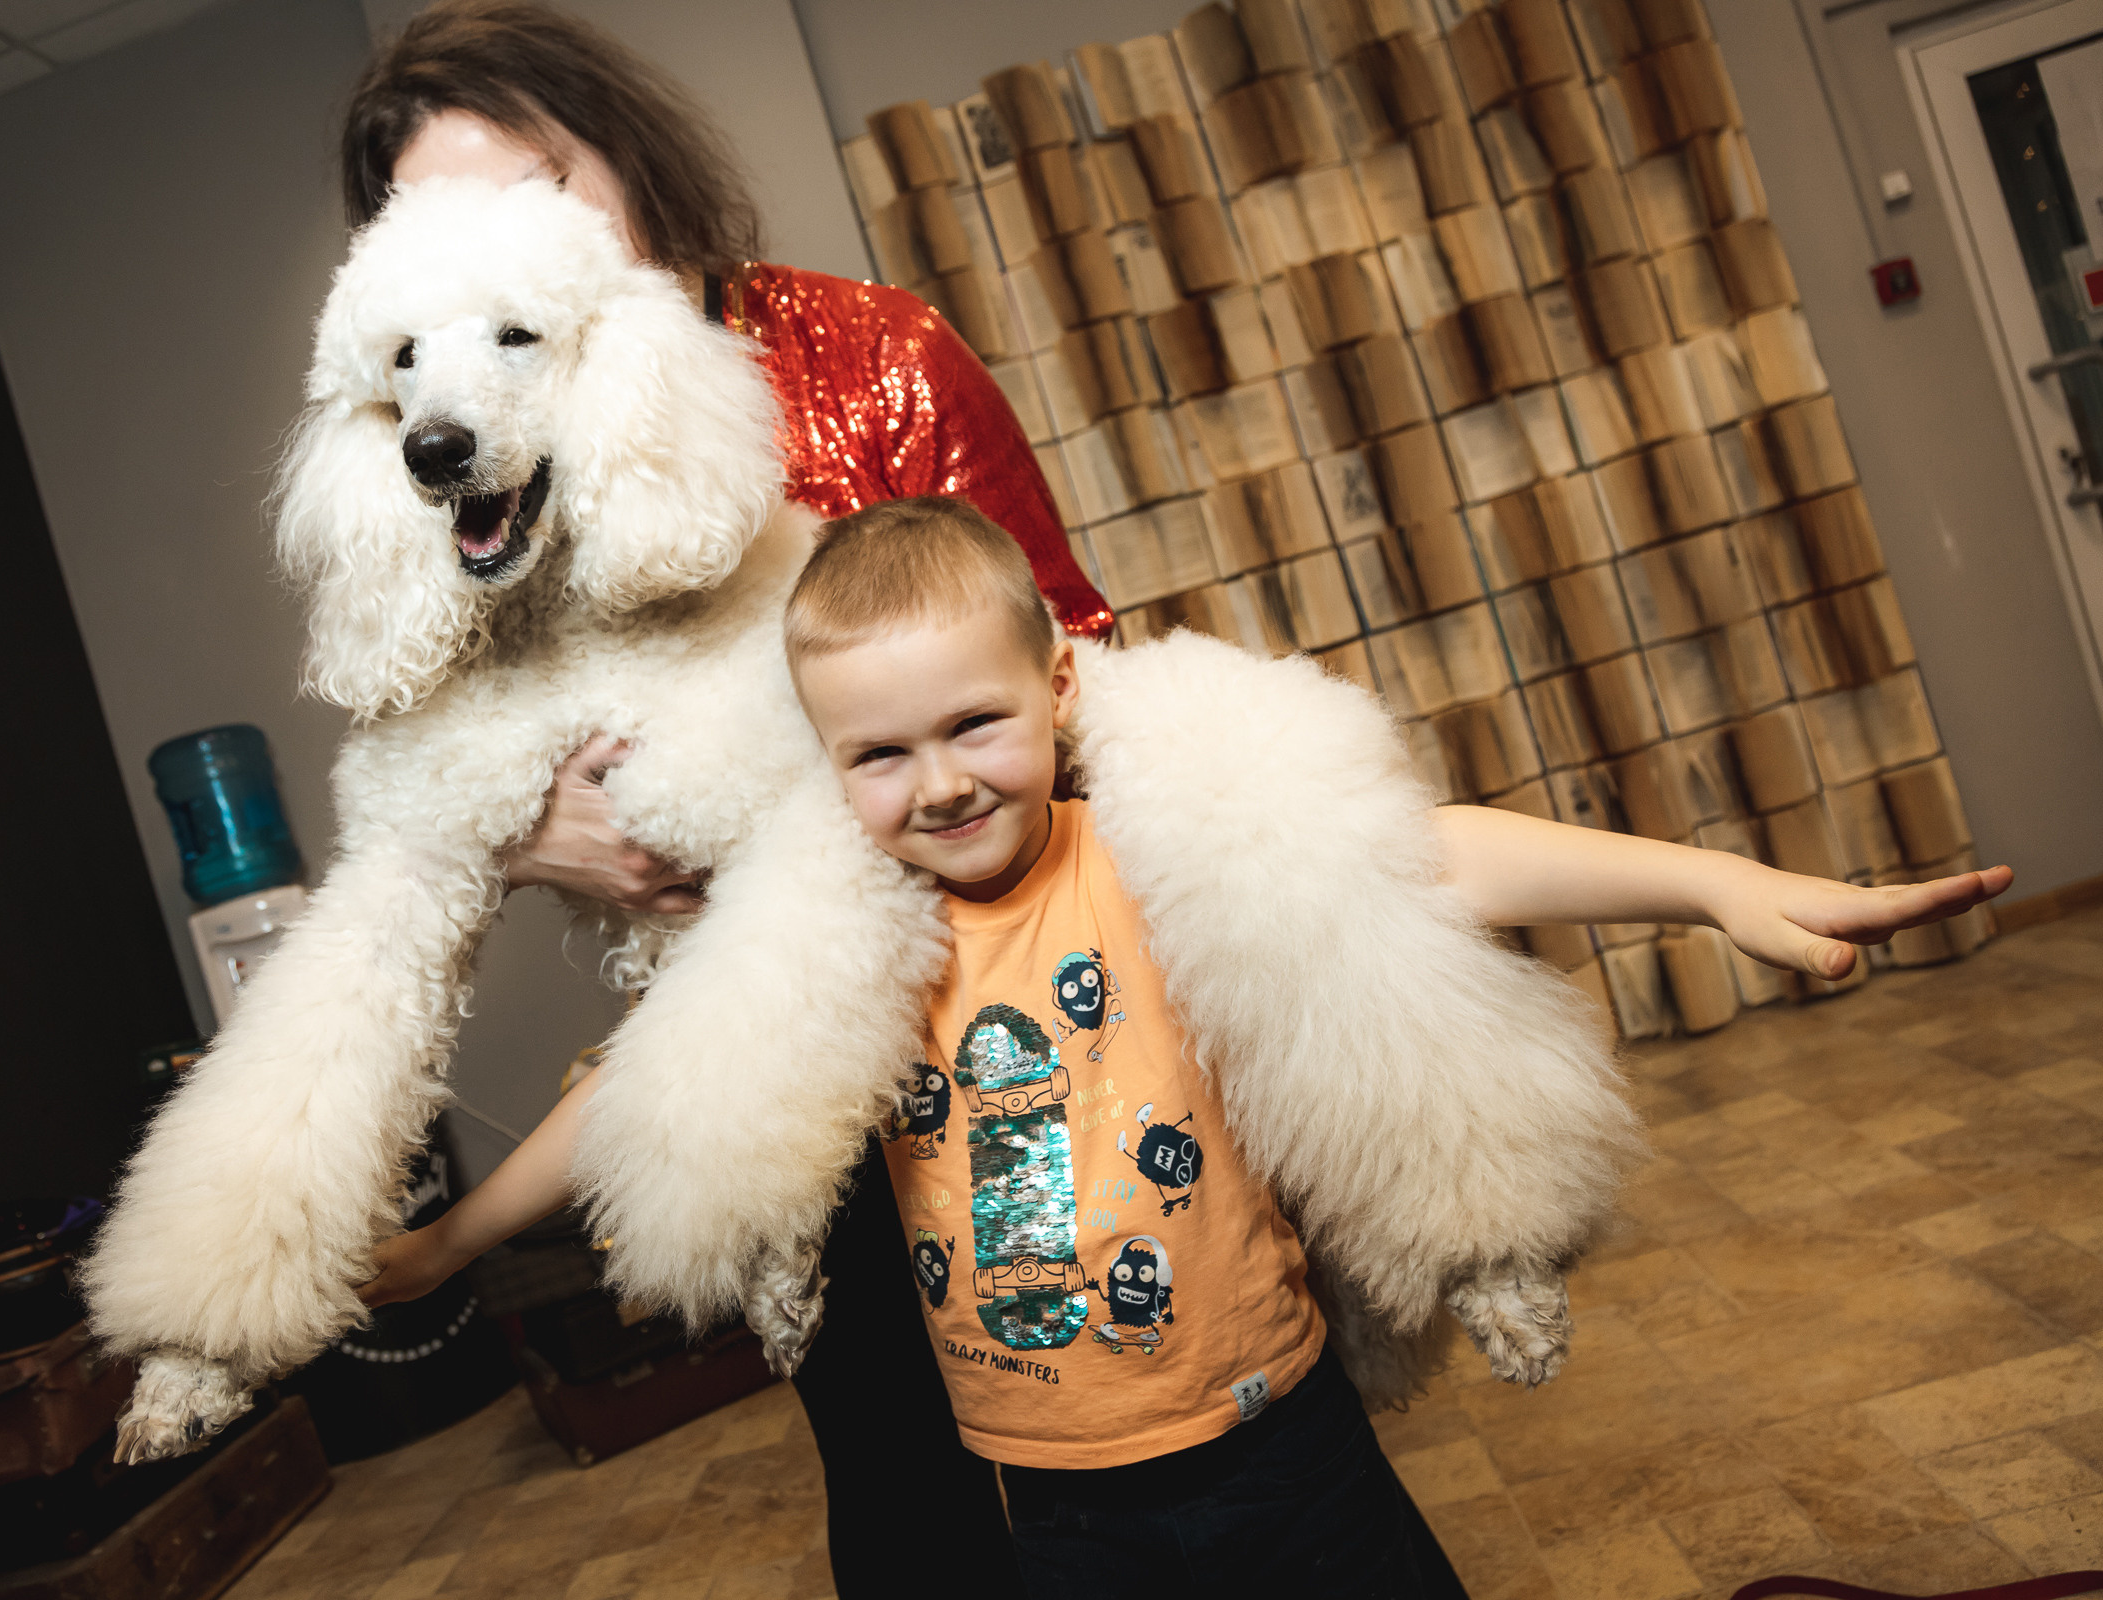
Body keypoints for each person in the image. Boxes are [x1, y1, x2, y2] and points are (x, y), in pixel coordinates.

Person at [368, 497, 2010, 1594]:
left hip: (1275, 1446)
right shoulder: (838, 935)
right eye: (879, 754)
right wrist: (449, 1241)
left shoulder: (1149, 857)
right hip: (1053, 1501)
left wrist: (1723, 890)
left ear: (1059, 690)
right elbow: (645, 1090)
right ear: (822, 766)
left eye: (974, 725)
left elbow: (1435, 853)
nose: (938, 783)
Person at [339, 5, 1106, 1586]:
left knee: (1128, 1432)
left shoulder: (874, 351)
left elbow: (1077, 656)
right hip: (770, 1068)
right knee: (903, 1487)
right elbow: (442, 746)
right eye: (437, 215)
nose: (500, 234)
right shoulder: (456, 449)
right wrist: (537, 832)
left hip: (1010, 1019)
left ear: (622, 151)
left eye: (539, 180)